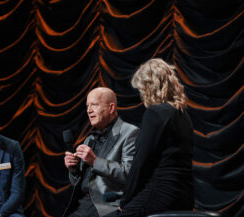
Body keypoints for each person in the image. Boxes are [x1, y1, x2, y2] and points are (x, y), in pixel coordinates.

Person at [105, 58, 194, 217]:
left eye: (141, 90)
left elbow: (141, 163)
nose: (141, 95)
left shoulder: (156, 113)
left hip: (161, 192)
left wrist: (125, 201)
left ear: (149, 88)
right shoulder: (183, 115)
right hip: (184, 195)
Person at [63, 87, 139, 217]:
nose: (89, 110)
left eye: (95, 105)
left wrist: (94, 161)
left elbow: (130, 175)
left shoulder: (130, 133)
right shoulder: (89, 139)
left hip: (108, 206)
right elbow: (79, 181)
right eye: (87, 106)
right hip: (82, 205)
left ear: (111, 108)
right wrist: (73, 169)